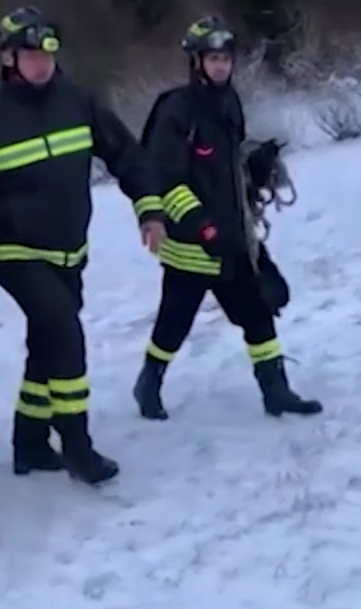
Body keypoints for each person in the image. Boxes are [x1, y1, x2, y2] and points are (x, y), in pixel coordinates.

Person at [0, 6, 168, 486]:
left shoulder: (79, 102)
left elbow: (126, 154)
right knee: (64, 332)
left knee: (47, 340)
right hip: (14, 252)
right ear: (9, 58)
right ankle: (77, 446)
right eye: (31, 54)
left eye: (48, 52)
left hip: (69, 250)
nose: (41, 62)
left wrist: (150, 207)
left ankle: (30, 443)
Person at [132, 16, 322, 420]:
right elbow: (165, 180)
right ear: (196, 62)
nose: (221, 66)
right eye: (213, 59)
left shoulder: (229, 102)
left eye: (225, 59)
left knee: (258, 311)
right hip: (191, 246)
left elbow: (224, 168)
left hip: (234, 238)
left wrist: (255, 166)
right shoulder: (176, 109)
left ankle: (276, 391)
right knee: (174, 323)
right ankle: (148, 383)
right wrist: (203, 226)